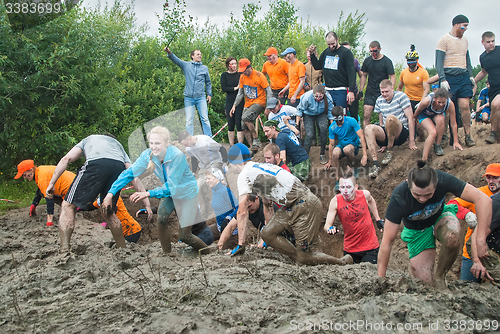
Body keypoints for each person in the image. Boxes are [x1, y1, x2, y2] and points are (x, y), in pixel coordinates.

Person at [226, 143, 353, 266]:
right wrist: (267, 241)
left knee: (304, 257)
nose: (230, 169)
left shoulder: (244, 175)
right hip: (293, 204)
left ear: (235, 162)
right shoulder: (259, 168)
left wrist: (241, 244)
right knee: (267, 234)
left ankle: (341, 263)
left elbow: (242, 211)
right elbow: (267, 205)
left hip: (304, 204)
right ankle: (298, 256)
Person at [377, 160, 492, 289]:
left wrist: (481, 239)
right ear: (409, 186)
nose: (422, 199)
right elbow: (387, 242)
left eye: (428, 194)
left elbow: (484, 200)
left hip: (440, 216)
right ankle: (433, 281)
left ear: (436, 185)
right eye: (417, 195)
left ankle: (440, 276)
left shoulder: (443, 179)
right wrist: (381, 280)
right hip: (417, 231)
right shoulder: (399, 197)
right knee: (426, 285)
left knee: (452, 236)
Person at [102, 126, 211, 254]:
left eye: (158, 143)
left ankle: (208, 253)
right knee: (161, 219)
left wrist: (148, 193)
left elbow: (172, 185)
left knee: (184, 236)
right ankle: (167, 255)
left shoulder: (177, 156)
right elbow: (129, 173)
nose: (154, 147)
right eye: (151, 143)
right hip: (170, 192)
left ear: (167, 143)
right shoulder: (148, 154)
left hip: (187, 193)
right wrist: (111, 193)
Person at [46, 134, 151, 253]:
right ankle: (122, 250)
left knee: (68, 205)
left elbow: (66, 159)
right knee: (109, 211)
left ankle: (64, 250)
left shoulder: (88, 139)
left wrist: (52, 183)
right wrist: (147, 204)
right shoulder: (118, 146)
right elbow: (133, 175)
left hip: (96, 163)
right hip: (118, 167)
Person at [14, 160, 149, 242]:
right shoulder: (102, 198)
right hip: (124, 230)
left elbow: (112, 212)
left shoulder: (114, 198)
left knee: (125, 249)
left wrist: (103, 224)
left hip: (132, 231)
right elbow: (91, 207)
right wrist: (76, 208)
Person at [447, 163, 500, 282]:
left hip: (493, 254)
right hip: (472, 253)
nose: (491, 181)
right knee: (468, 290)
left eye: (495, 177)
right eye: (488, 177)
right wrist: (467, 214)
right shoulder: (479, 194)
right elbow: (451, 204)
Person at [324, 168, 383, 264]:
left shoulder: (365, 195)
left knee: (368, 276)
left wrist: (378, 219)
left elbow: (371, 201)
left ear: (355, 187)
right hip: (350, 248)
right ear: (339, 188)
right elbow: (326, 225)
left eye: (348, 187)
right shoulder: (335, 201)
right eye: (342, 187)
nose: (345, 191)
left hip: (370, 247)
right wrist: (330, 228)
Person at [435, 14, 475, 147]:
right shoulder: (444, 40)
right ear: (457, 25)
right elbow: (438, 62)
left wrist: (470, 75)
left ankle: (468, 136)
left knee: (464, 106)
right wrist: (442, 78)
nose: (465, 29)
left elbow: (467, 59)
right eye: (464, 26)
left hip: (463, 75)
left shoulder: (465, 41)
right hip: (449, 76)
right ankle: (445, 136)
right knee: (447, 109)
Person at [364, 79, 416, 178]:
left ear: (392, 88)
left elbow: (411, 118)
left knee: (390, 118)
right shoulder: (379, 100)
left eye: (386, 91)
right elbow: (381, 123)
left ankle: (390, 149)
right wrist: (382, 142)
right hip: (387, 131)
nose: (384, 94)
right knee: (368, 128)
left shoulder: (401, 96)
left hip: (401, 131)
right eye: (382, 92)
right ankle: (376, 164)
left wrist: (412, 140)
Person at [164, 47, 212, 136]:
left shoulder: (204, 68)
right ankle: (189, 140)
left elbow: (208, 82)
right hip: (189, 98)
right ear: (192, 56)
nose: (200, 56)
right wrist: (169, 52)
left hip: (201, 97)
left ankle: (209, 139)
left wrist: (209, 94)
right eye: (198, 54)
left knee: (205, 119)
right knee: (189, 120)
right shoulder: (186, 65)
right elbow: (176, 60)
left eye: (201, 54)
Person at [178, 131, 224, 219]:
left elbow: (221, 148)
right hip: (204, 166)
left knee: (211, 180)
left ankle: (220, 204)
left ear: (190, 138)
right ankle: (204, 208)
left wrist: (225, 162)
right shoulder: (188, 148)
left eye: (185, 143)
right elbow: (194, 158)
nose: (185, 146)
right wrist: (194, 172)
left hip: (215, 161)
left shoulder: (204, 141)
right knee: (197, 185)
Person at [15, 160, 76, 226]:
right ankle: (74, 205)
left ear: (31, 170)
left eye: (24, 175)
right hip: (74, 182)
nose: (24, 177)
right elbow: (40, 190)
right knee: (44, 192)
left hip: (73, 189)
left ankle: (75, 206)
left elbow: (49, 198)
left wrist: (49, 221)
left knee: (49, 195)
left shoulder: (42, 178)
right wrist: (34, 205)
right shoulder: (40, 170)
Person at [307, 31, 356, 111]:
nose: (331, 46)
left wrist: (351, 91)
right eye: (329, 44)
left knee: (340, 112)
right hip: (328, 89)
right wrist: (312, 54)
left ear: (337, 40)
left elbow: (351, 73)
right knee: (328, 113)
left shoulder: (346, 53)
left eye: (333, 43)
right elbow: (317, 66)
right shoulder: (326, 52)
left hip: (341, 89)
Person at [230, 58, 272, 151]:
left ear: (249, 67)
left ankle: (256, 140)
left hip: (259, 102)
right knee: (243, 126)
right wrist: (234, 105)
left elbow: (268, 90)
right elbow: (240, 93)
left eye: (245, 70)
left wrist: (269, 106)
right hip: (248, 103)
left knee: (245, 118)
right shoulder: (242, 77)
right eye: (242, 71)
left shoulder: (259, 75)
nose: (244, 72)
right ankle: (253, 146)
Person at [413, 88, 463, 161]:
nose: (441, 104)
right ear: (435, 99)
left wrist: (456, 141)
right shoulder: (427, 101)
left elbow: (453, 123)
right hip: (424, 114)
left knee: (441, 120)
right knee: (433, 133)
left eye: (443, 102)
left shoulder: (450, 104)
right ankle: (424, 158)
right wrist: (414, 119)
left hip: (437, 114)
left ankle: (437, 144)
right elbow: (417, 112)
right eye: (439, 102)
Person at [324, 106, 367, 186]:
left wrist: (364, 155)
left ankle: (354, 168)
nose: (338, 122)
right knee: (335, 153)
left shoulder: (351, 121)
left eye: (340, 119)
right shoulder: (333, 127)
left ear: (343, 115)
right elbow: (331, 144)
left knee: (347, 149)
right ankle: (338, 179)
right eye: (336, 120)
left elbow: (361, 136)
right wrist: (330, 160)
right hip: (341, 145)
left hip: (353, 145)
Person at [359, 41, 396, 129]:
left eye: (375, 51)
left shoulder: (386, 61)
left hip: (383, 92)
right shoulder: (367, 61)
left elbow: (392, 76)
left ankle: (386, 136)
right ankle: (366, 139)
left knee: (385, 117)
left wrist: (392, 89)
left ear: (379, 49)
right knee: (366, 116)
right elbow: (364, 75)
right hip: (370, 91)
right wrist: (361, 89)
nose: (373, 53)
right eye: (371, 51)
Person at [296, 84, 335, 164]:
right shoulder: (306, 97)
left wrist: (332, 126)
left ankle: (322, 153)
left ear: (323, 94)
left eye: (320, 97)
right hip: (308, 114)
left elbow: (331, 112)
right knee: (310, 134)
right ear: (313, 93)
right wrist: (297, 124)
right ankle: (305, 156)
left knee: (324, 129)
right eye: (316, 96)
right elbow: (299, 111)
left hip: (321, 113)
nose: (318, 98)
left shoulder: (328, 97)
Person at [474, 31, 500, 144]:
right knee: (495, 108)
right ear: (482, 42)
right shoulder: (483, 57)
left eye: (493, 41)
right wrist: (473, 81)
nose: (491, 44)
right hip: (493, 87)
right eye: (488, 42)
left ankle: (494, 133)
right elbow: (484, 72)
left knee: (495, 104)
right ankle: (494, 133)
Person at [206, 168, 239, 250]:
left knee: (220, 251)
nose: (207, 181)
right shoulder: (214, 190)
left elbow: (238, 207)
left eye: (209, 178)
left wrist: (229, 218)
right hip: (219, 226)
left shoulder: (225, 190)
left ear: (216, 178)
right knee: (202, 236)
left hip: (230, 230)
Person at [397, 45, 430, 113]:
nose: (410, 63)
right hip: (407, 100)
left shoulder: (423, 72)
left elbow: (426, 89)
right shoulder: (404, 72)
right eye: (409, 61)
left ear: (416, 60)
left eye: (412, 60)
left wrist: (422, 102)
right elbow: (399, 88)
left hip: (419, 100)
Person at [220, 57, 244, 145]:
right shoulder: (224, 75)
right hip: (229, 101)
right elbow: (224, 88)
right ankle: (231, 145)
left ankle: (240, 145)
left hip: (240, 101)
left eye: (235, 63)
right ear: (228, 65)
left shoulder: (240, 74)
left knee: (239, 123)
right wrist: (236, 88)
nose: (234, 65)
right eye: (232, 64)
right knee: (230, 124)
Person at [340, 41, 363, 120]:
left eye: (349, 50)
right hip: (341, 91)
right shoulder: (337, 60)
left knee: (354, 115)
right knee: (341, 114)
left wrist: (360, 90)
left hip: (353, 91)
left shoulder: (355, 61)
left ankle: (356, 131)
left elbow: (361, 75)